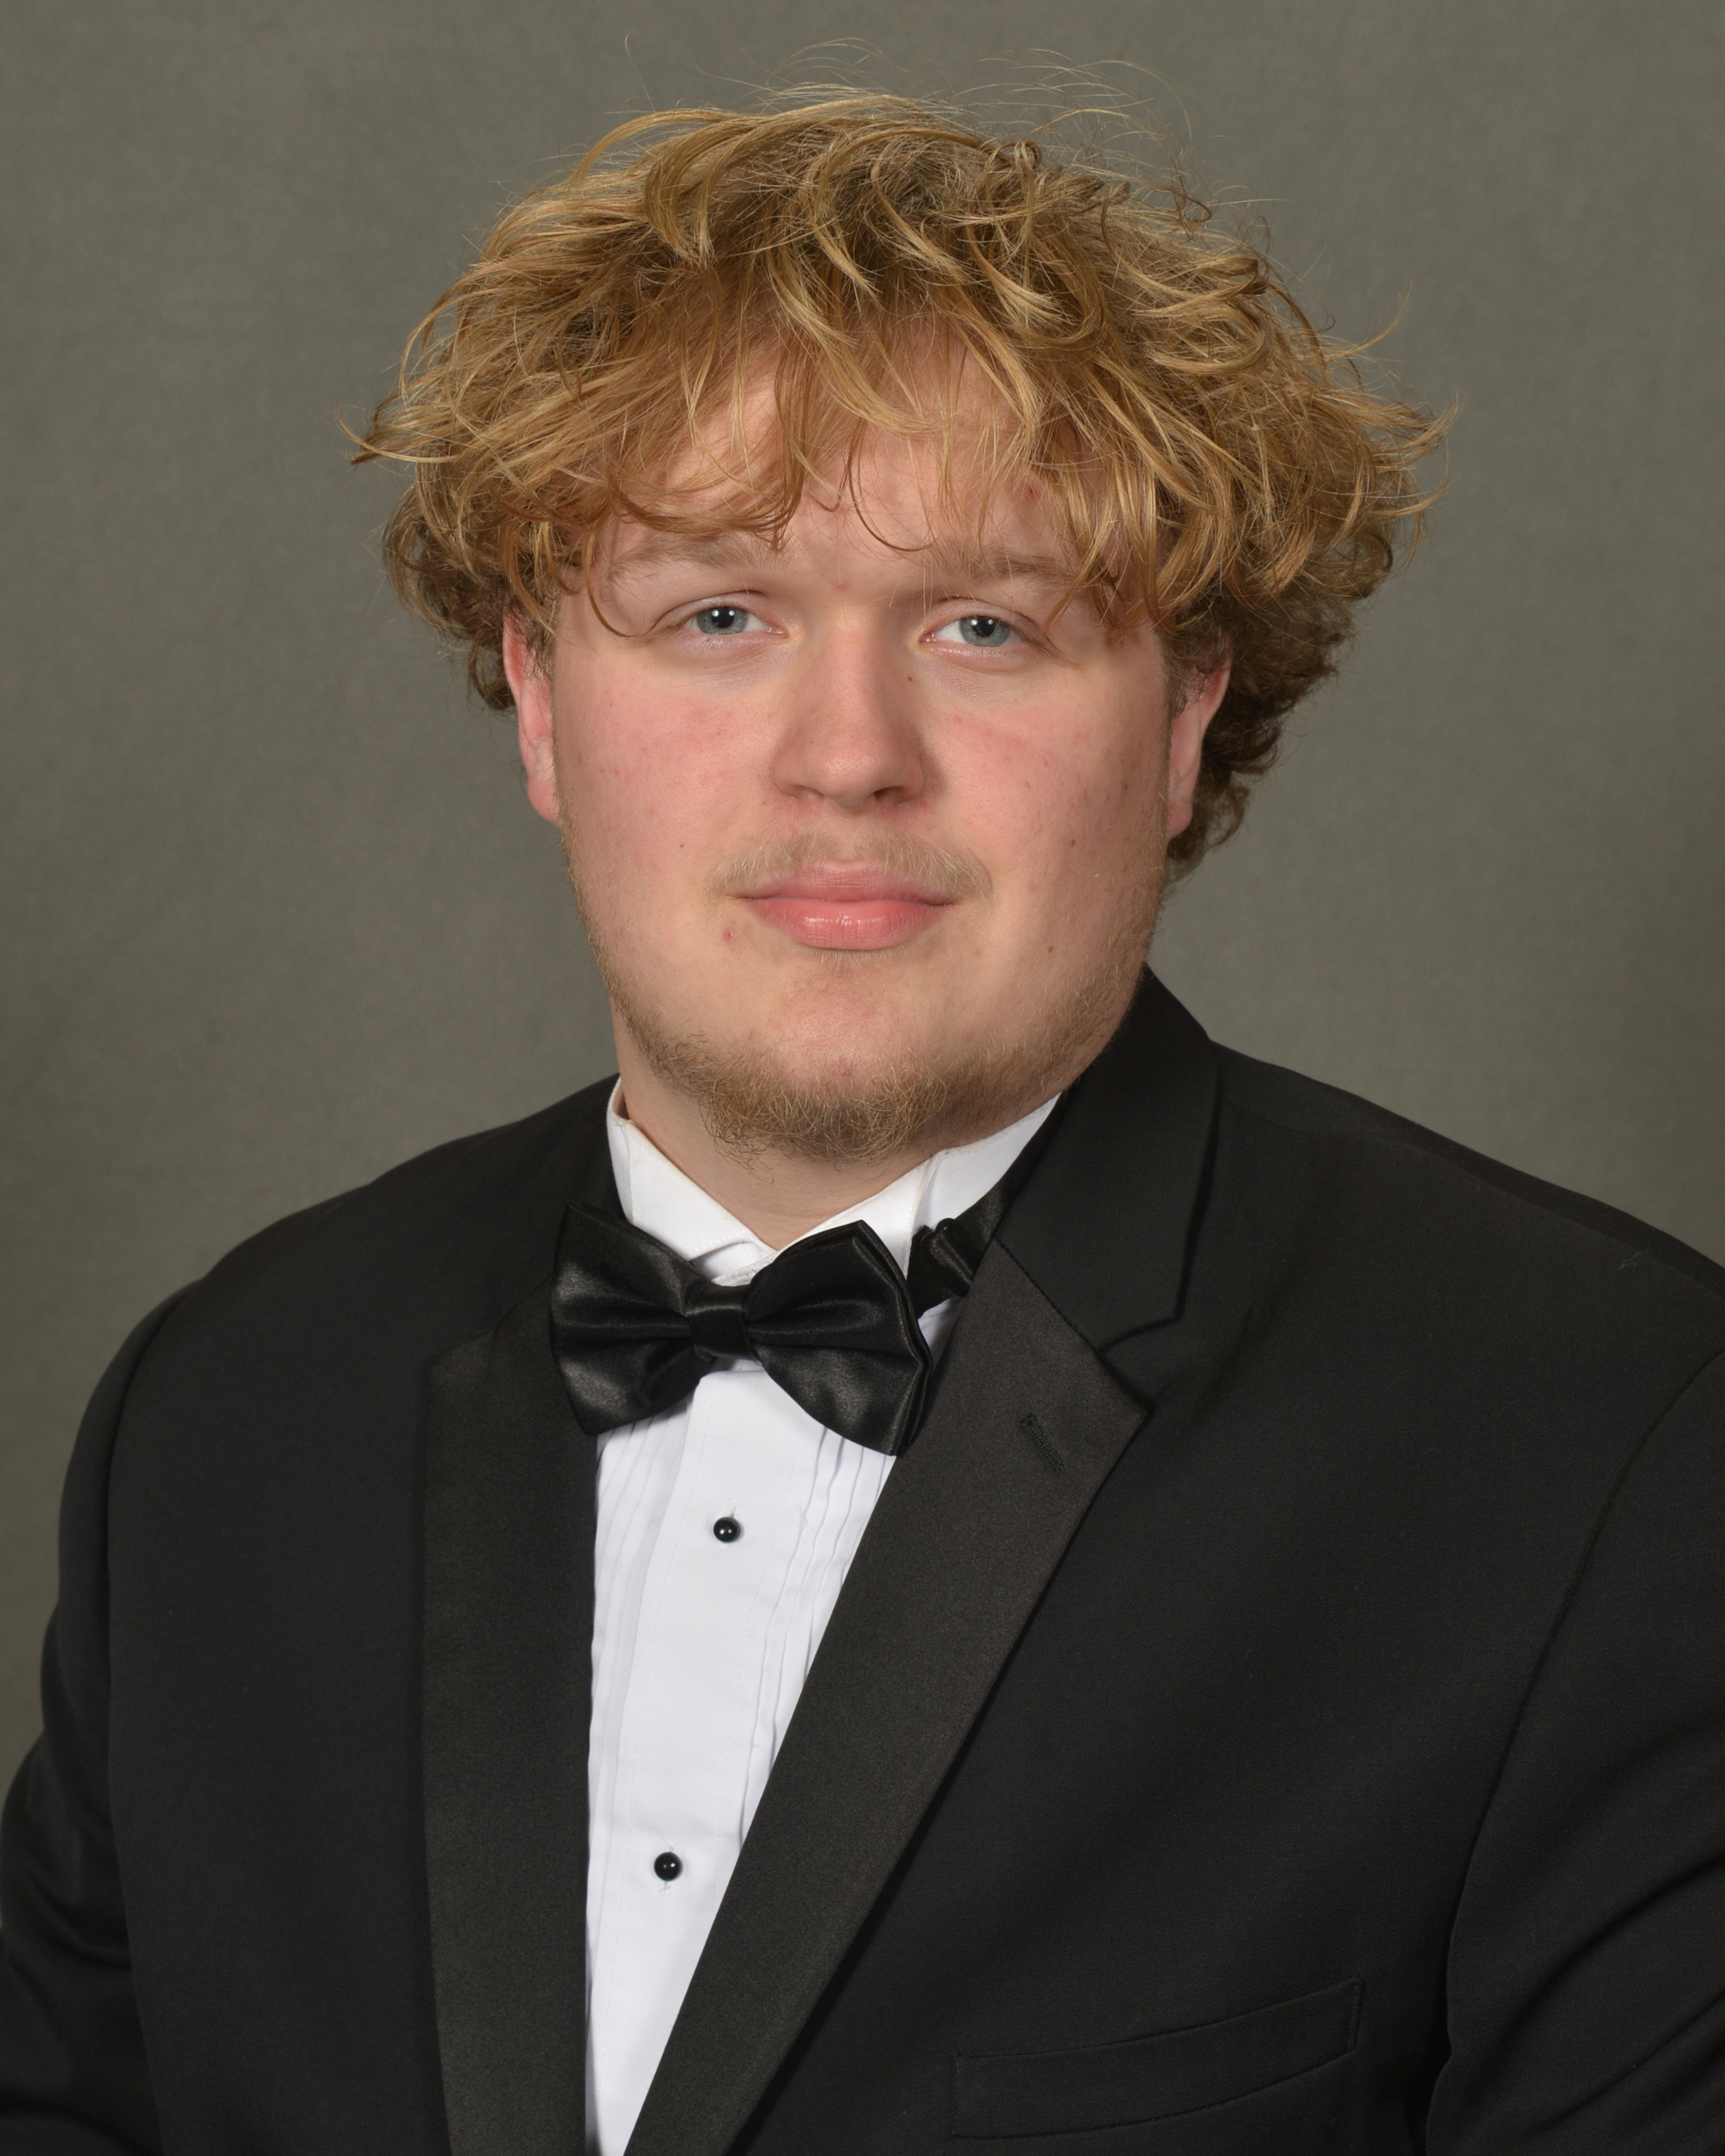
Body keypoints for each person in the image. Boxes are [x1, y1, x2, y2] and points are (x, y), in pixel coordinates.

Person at [2, 91, 1722, 2156]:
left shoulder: (1613, 1445)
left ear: (1185, 717)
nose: (847, 757)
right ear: (540, 699)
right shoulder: (221, 1411)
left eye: (985, 625)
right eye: (718, 614)